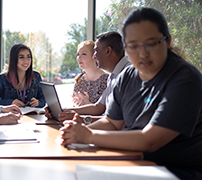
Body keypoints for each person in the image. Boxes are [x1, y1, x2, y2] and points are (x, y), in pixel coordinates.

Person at [60, 8, 202, 179]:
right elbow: (112, 123)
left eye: (151, 44)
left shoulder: (185, 80)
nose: (142, 53)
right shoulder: (127, 76)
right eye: (133, 46)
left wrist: (88, 135)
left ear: (168, 41)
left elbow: (150, 140)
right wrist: (77, 132)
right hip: (135, 162)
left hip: (177, 171)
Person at [45, 32, 130, 121]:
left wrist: (78, 118)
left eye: (96, 51)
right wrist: (64, 111)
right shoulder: (113, 77)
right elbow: (98, 107)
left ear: (108, 51)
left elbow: (115, 122)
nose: (94, 56)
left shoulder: (128, 75)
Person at [0, 44, 46, 108]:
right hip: (10, 116)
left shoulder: (36, 76)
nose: (26, 61)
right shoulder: (3, 78)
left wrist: (38, 103)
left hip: (31, 116)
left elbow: (43, 99)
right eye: (21, 57)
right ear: (14, 59)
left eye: (28, 57)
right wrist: (10, 103)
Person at [72, 40, 108, 107]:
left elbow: (108, 113)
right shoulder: (79, 81)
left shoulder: (106, 80)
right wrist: (76, 104)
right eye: (78, 54)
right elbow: (76, 107)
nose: (78, 58)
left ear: (95, 57)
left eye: (84, 54)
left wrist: (87, 103)